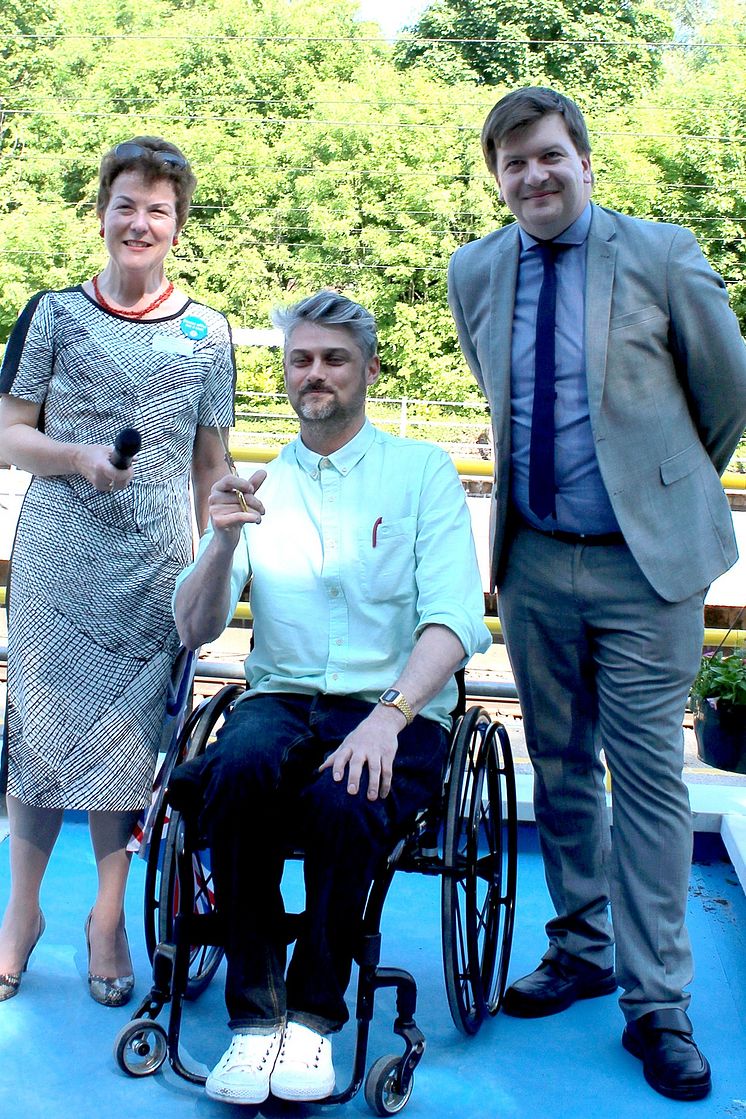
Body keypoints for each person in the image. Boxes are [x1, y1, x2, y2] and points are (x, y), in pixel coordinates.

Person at [447, 86, 746, 1102]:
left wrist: (656, 494)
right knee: (560, 761)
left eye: (547, 157)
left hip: (641, 566)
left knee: (648, 779)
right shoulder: (474, 270)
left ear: (583, 159)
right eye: (511, 163)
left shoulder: (660, 254)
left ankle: (656, 1002)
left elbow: (725, 391)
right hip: (532, 560)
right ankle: (579, 948)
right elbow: (496, 388)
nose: (532, 176)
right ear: (495, 177)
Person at [172, 290, 491, 1106]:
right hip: (281, 696)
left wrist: (391, 715)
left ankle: (313, 1015)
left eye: (334, 359)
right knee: (234, 771)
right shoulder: (259, 483)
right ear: (286, 374)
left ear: (370, 371)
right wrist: (223, 540)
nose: (316, 374)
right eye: (301, 360)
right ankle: (254, 1019)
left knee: (351, 792)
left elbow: (454, 617)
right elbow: (195, 625)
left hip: (392, 700)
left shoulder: (421, 473)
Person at [0, 136, 235, 1007]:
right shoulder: (53, 314)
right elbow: (7, 432)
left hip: (154, 565)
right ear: (102, 211)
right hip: (60, 556)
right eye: (126, 204)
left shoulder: (209, 335)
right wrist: (77, 456)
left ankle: (107, 915)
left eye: (159, 210)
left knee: (129, 745)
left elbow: (211, 465)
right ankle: (20, 913)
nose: (140, 222)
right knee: (40, 734)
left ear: (178, 225)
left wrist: (226, 530)